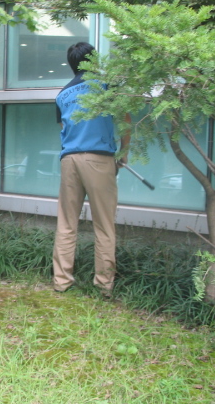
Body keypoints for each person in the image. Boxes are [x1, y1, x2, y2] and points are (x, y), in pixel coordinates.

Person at [53, 42, 131, 297]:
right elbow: (125, 119)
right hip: (99, 159)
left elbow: (63, 130)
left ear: (71, 64)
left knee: (66, 224)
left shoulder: (62, 95)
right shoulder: (106, 86)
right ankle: (103, 285)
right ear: (94, 61)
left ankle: (61, 281)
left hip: (69, 161)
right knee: (104, 226)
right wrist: (123, 154)